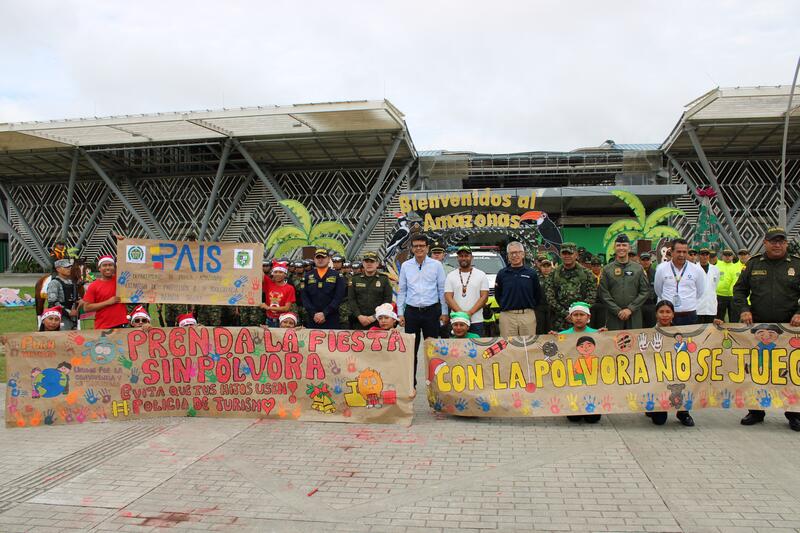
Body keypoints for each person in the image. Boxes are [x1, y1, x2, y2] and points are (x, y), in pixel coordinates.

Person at [733, 226, 800, 431]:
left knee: (790, 372)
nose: (777, 244)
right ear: (765, 243)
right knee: (757, 370)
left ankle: (794, 413)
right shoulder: (753, 264)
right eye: (773, 241)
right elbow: (739, 290)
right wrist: (744, 309)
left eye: (781, 241)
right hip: (758, 328)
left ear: (786, 243)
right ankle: (756, 411)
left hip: (789, 329)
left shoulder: (797, 265)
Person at [398, 234, 447, 387]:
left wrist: (444, 312)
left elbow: (441, 290)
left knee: (432, 351)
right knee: (411, 351)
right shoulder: (406, 266)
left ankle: (435, 386)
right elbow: (402, 291)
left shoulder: (436, 265)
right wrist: (400, 313)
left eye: (422, 246)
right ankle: (410, 387)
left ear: (427, 248)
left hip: (431, 312)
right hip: (411, 312)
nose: (419, 248)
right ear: (412, 248)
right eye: (416, 246)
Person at [648, 300, 696, 427]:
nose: (665, 315)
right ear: (656, 314)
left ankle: (683, 413)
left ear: (673, 314)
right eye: (661, 312)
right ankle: (652, 408)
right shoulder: (648, 333)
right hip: (658, 376)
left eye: (668, 312)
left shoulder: (681, 333)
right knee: (659, 421)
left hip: (677, 373)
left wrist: (717, 325)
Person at [597, 235, 651, 330]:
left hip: (634, 314)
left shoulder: (638, 269)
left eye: (624, 245)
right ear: (614, 248)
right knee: (614, 341)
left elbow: (645, 291)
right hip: (614, 315)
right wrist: (617, 311)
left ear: (629, 248)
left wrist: (630, 309)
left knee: (634, 341)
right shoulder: (606, 269)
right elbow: (603, 293)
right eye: (618, 245)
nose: (621, 248)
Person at [545, 242, 597, 332]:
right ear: (560, 255)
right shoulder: (553, 274)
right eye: (564, 253)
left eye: (570, 253)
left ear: (576, 255)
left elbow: (592, 296)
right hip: (560, 320)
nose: (567, 256)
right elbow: (550, 297)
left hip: (582, 319)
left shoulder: (587, 273)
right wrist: (566, 314)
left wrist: (578, 312)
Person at [494, 241, 543, 337]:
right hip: (507, 316)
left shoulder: (531, 273)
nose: (514, 255)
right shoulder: (502, 274)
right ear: (507, 256)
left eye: (518, 252)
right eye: (511, 253)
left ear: (523, 254)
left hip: (527, 315)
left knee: (528, 346)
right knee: (507, 347)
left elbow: (537, 294)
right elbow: (498, 295)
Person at [654, 238, 705, 326]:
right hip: (668, 316)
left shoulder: (697, 269)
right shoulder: (661, 268)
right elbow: (658, 291)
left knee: (689, 339)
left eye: (684, 252)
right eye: (678, 251)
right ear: (672, 252)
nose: (681, 255)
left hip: (689, 314)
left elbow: (700, 292)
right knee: (668, 339)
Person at [444, 246, 489, 336]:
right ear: (457, 258)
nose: (463, 258)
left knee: (476, 348)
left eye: (466, 256)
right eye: (461, 256)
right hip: (457, 322)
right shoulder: (451, 276)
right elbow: (448, 297)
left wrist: (470, 313)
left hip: (476, 320)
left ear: (471, 258)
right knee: (456, 349)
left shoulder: (481, 275)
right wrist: (462, 315)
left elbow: (484, 297)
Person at [301, 248, 346, 329]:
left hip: (331, 318)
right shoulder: (307, 276)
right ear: (314, 259)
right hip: (313, 318)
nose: (320, 260)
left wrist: (325, 313)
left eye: (323, 257)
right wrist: (314, 313)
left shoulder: (337, 276)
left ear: (329, 259)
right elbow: (304, 297)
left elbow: (338, 297)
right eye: (318, 257)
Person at [348, 251, 393, 330]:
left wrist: (374, 317)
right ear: (363, 263)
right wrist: (359, 316)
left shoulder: (384, 279)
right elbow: (351, 299)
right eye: (366, 261)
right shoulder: (355, 279)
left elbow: (387, 300)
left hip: (378, 321)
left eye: (372, 261)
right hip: (358, 320)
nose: (369, 264)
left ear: (377, 264)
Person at [82, 255, 128, 329]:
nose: (108, 268)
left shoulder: (121, 280)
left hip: (122, 324)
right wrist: (108, 302)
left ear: (114, 267)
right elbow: (86, 308)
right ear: (99, 268)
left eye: (110, 265)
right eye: (104, 265)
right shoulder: (94, 286)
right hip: (103, 327)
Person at [46, 258, 80, 330]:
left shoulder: (72, 283)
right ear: (58, 269)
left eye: (70, 267)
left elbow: (77, 298)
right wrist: (69, 312)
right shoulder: (54, 283)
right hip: (60, 317)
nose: (69, 269)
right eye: (66, 267)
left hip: (75, 317)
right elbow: (52, 302)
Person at [261, 260, 296, 328]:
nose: (277, 274)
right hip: (269, 320)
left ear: (285, 274)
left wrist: (268, 307)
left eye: (280, 272)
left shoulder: (290, 288)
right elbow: (259, 271)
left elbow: (286, 308)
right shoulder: (268, 283)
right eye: (275, 272)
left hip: (283, 322)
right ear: (272, 273)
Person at [695, 248, 721, 323]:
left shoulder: (715, 269)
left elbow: (715, 285)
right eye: (702, 254)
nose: (705, 256)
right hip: (698, 306)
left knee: (710, 330)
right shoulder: (694, 268)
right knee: (697, 330)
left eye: (707, 254)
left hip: (711, 305)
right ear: (698, 256)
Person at [716, 249, 740, 322]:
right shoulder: (717, 265)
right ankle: (719, 333)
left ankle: (733, 333)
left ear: (732, 257)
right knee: (719, 318)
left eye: (729, 255)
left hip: (732, 296)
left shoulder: (736, 267)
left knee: (733, 318)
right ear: (722, 256)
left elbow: (736, 280)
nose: (727, 257)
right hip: (719, 295)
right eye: (725, 255)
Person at [639, 252, 657, 328]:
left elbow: (658, 288)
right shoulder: (637, 272)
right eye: (643, 260)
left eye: (647, 260)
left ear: (650, 261)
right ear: (640, 261)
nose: (645, 262)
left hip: (651, 305)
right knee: (639, 327)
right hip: (639, 306)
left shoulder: (655, 273)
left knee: (651, 328)